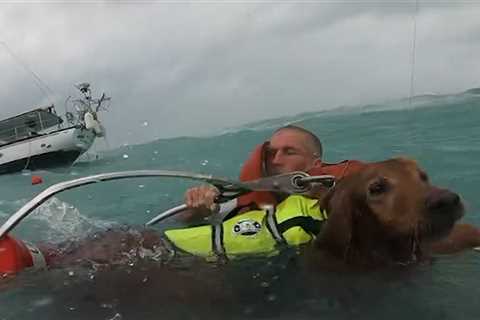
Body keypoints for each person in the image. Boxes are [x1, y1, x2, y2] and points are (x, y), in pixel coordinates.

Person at [183, 125, 365, 220]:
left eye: (289, 152)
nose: (276, 160)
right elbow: (187, 224)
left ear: (314, 163)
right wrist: (199, 210)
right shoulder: (235, 202)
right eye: (271, 153)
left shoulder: (343, 193)